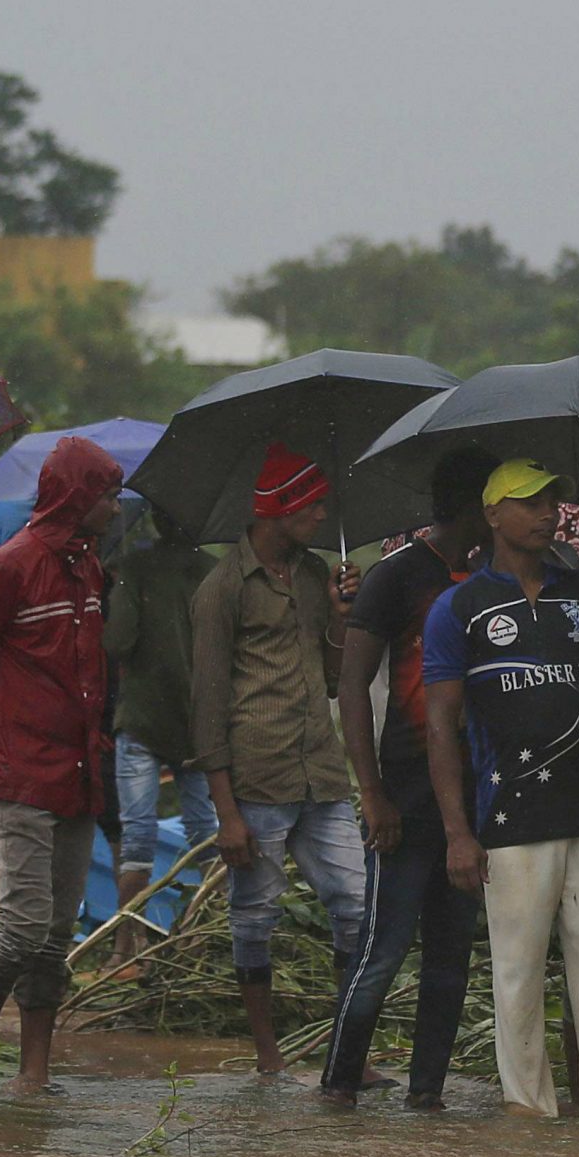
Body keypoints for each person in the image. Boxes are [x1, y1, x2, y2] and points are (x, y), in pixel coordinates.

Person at [422, 459, 579, 1118]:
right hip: (508, 814)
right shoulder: (458, 607)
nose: (546, 513)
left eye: (552, 502)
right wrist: (457, 831)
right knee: (517, 972)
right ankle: (529, 1113)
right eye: (528, 502)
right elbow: (441, 727)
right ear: (493, 513)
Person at [0, 436, 122, 1092]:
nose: (117, 506)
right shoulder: (9, 567)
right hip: (16, 772)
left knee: (54, 932)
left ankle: (33, 1074)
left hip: (75, 772)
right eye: (108, 492)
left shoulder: (89, 568)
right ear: (78, 496)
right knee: (19, 923)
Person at [321, 445, 498, 1109]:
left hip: (472, 792)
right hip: (403, 786)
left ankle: (427, 1094)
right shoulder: (399, 576)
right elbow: (351, 682)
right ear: (476, 509)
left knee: (451, 957)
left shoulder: (493, 581)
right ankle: (338, 1086)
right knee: (382, 950)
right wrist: (370, 793)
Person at [187, 443, 372, 1077]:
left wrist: (347, 618)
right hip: (257, 779)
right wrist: (225, 814)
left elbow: (331, 675)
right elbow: (207, 706)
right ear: (280, 508)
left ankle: (347, 1051)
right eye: (312, 504)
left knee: (357, 903)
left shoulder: (319, 579)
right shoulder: (221, 591)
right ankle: (269, 1057)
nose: (321, 516)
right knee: (256, 917)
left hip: (320, 772)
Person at [101, 506, 216, 970]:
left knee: (137, 835)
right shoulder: (216, 572)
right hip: (200, 725)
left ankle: (126, 947)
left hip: (142, 719)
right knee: (206, 834)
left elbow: (116, 643)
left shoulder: (136, 567)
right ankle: (202, 939)